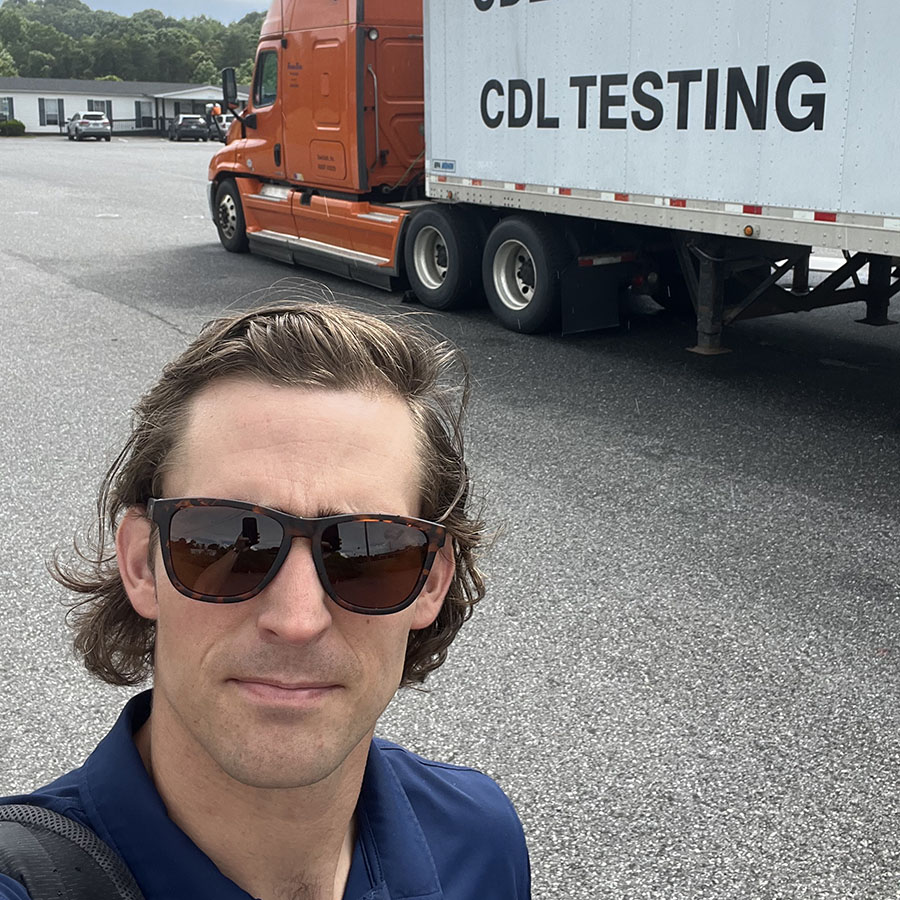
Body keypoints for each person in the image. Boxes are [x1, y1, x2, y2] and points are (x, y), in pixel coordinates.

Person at [0, 302, 530, 900]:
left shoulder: (480, 842)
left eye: (369, 553)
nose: (297, 620)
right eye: (225, 540)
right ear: (143, 565)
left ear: (430, 584)